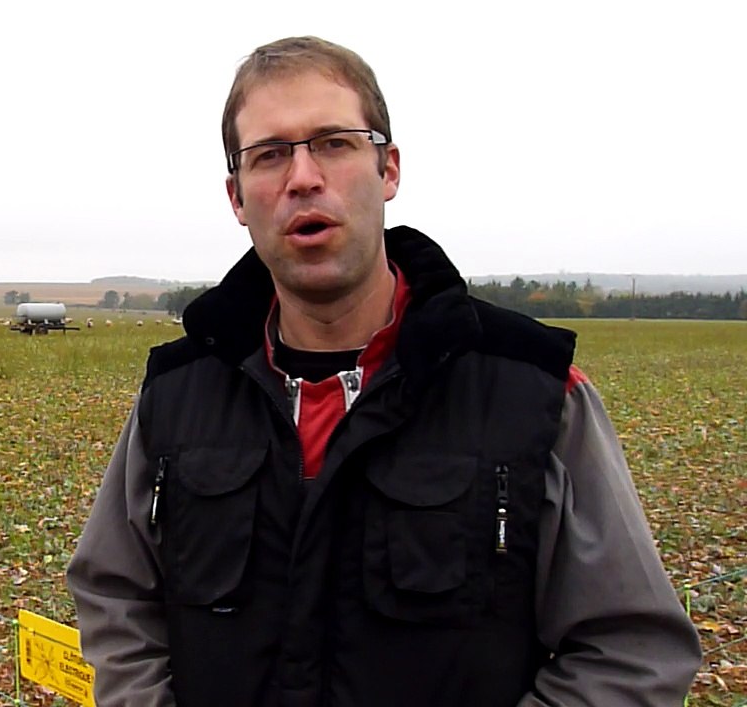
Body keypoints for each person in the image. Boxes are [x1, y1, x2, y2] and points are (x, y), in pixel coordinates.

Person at [66, 36, 701, 706]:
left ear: (388, 169)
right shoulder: (176, 394)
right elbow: (116, 597)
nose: (303, 177)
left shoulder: (535, 393)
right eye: (270, 154)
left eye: (334, 143)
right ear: (237, 196)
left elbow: (631, 650)